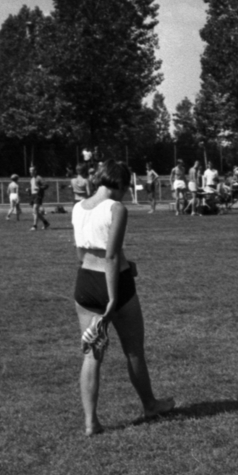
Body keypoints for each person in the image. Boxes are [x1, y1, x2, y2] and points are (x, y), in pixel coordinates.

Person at [71, 160, 174, 436]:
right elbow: (112, 256)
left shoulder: (78, 207)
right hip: (114, 284)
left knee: (91, 354)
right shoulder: (116, 208)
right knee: (133, 350)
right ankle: (150, 405)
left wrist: (127, 264)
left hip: (85, 282)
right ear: (120, 184)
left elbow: (82, 252)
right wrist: (112, 299)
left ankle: (91, 422)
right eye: (127, 188)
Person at [28, 166, 50, 230]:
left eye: (32, 170)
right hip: (33, 196)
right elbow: (33, 187)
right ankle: (46, 223)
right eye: (30, 170)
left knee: (35, 210)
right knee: (35, 211)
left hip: (38, 195)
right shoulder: (32, 179)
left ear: (35, 171)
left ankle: (34, 226)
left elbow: (46, 185)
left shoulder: (39, 178)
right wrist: (29, 190)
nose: (30, 171)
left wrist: (40, 188)